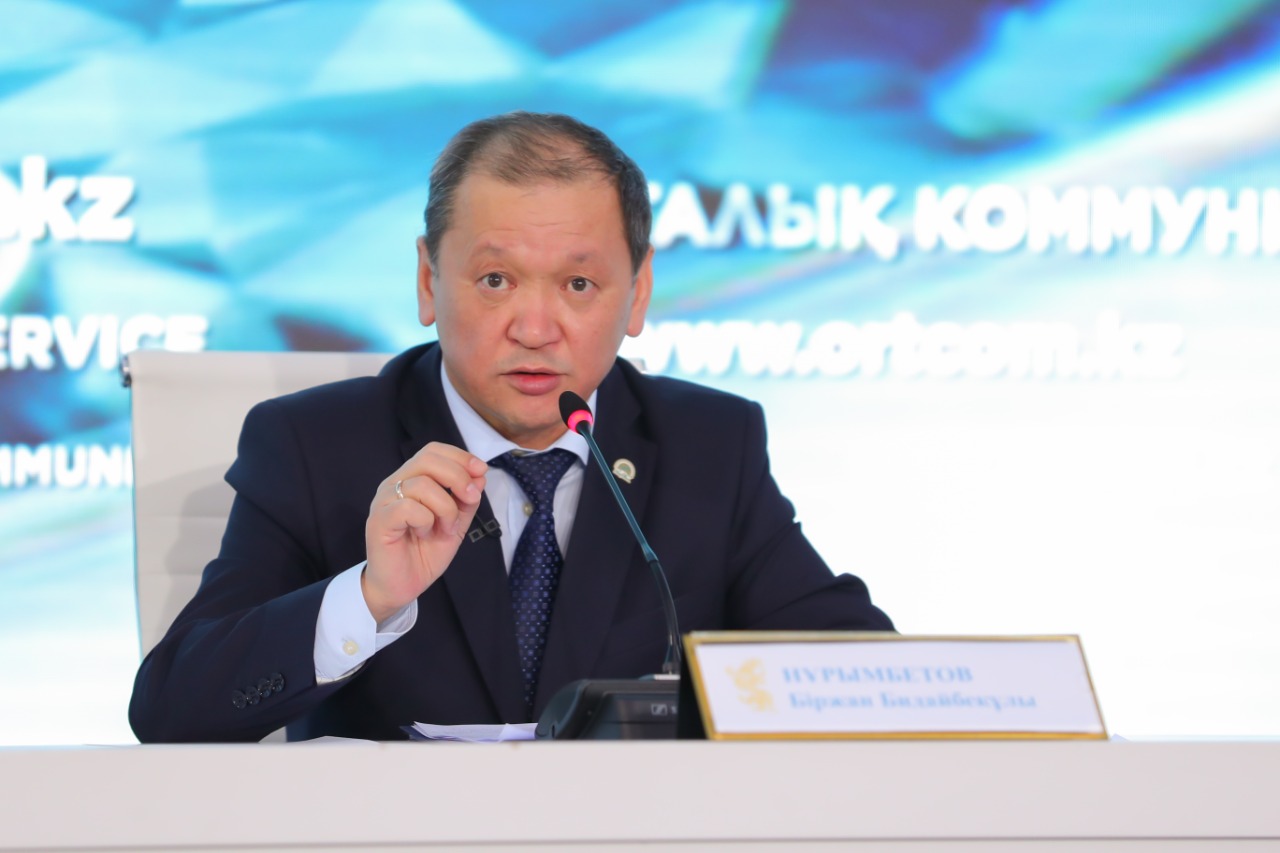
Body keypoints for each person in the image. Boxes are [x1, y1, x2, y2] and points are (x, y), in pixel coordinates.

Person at [129, 112, 892, 743]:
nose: (534, 327)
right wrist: (369, 597)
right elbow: (171, 709)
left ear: (637, 293)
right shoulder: (315, 447)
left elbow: (856, 675)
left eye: (579, 283)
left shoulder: (708, 445)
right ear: (428, 280)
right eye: (495, 279)